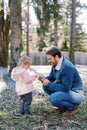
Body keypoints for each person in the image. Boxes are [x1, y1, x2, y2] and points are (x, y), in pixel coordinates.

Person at [38, 47, 85, 115]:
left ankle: (73, 107)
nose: (49, 61)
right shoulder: (55, 64)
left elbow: (65, 88)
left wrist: (49, 84)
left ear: (56, 57)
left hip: (76, 94)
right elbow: (51, 78)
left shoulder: (67, 67)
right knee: (45, 86)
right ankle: (62, 104)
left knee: (53, 98)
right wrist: (43, 79)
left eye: (50, 59)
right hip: (67, 92)